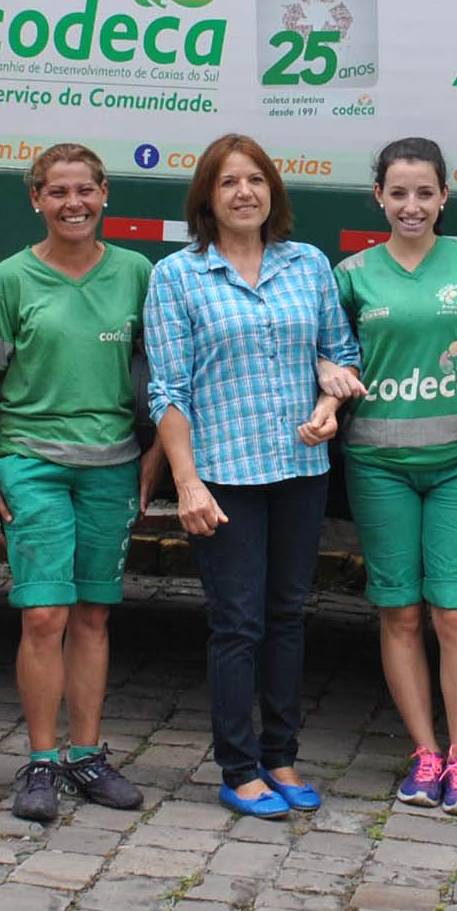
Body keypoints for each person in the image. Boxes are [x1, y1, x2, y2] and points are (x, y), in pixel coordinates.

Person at [145, 136, 361, 819]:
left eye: (256, 180)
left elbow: (340, 353)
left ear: (274, 191)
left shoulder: (308, 265)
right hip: (225, 476)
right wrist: (186, 483)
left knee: (289, 617)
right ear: (206, 197)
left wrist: (329, 406)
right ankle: (238, 767)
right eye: (229, 181)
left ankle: (283, 754)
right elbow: (167, 391)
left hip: (299, 469)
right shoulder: (178, 276)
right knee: (238, 624)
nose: (244, 192)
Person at [0, 144, 155, 823]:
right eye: (58, 192)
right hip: (31, 462)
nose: (73, 203)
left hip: (110, 464)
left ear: (105, 195)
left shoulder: (136, 272)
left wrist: (153, 461)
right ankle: (42, 762)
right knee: (44, 614)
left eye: (85, 190)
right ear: (37, 200)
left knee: (94, 614)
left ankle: (87, 754)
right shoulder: (10, 281)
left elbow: (160, 378)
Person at [336, 139, 457, 818]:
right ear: (378, 195)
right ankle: (424, 751)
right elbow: (329, 351)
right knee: (399, 611)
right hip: (378, 463)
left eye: (424, 193)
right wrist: (328, 375)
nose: (411, 206)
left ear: (444, 197)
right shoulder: (351, 274)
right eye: (398, 193)